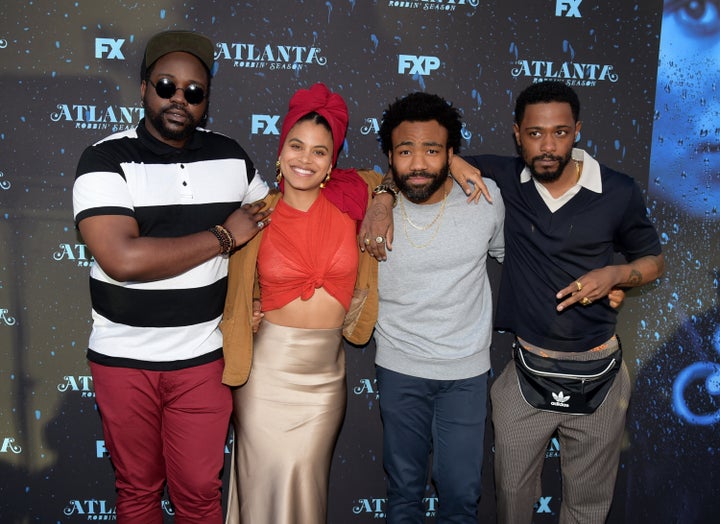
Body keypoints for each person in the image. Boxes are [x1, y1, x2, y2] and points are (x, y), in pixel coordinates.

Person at [72, 30, 271, 523]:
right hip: (124, 361)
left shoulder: (231, 156)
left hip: (203, 360)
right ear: (143, 87)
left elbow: (279, 220)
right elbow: (123, 258)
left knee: (201, 493)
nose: (179, 99)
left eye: (194, 91)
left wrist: (376, 194)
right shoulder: (104, 159)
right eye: (166, 85)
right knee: (137, 490)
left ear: (206, 100)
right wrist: (223, 237)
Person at [465, 81, 664, 523]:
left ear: (577, 131)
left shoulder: (618, 190)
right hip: (526, 375)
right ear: (517, 134)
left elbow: (652, 261)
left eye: (559, 133)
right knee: (512, 498)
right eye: (535, 134)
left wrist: (616, 274)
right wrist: (458, 168)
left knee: (589, 506)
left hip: (601, 376)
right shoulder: (505, 178)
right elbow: (434, 157)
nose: (548, 146)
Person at [221, 83, 379, 524]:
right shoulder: (257, 215)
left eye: (319, 151)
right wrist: (250, 307)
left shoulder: (355, 199)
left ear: (333, 161)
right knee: (261, 487)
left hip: (325, 380)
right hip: (266, 375)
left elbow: (407, 175)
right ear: (280, 148)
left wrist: (384, 199)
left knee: (305, 485)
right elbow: (227, 284)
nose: (305, 160)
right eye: (296, 146)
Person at [368, 92, 505, 523]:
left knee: (462, 496)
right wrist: (382, 193)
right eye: (406, 151)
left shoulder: (484, 199)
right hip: (399, 367)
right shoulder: (369, 202)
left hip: (464, 372)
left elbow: (507, 255)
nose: (419, 163)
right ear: (389, 157)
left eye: (432, 150)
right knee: (403, 492)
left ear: (451, 153)